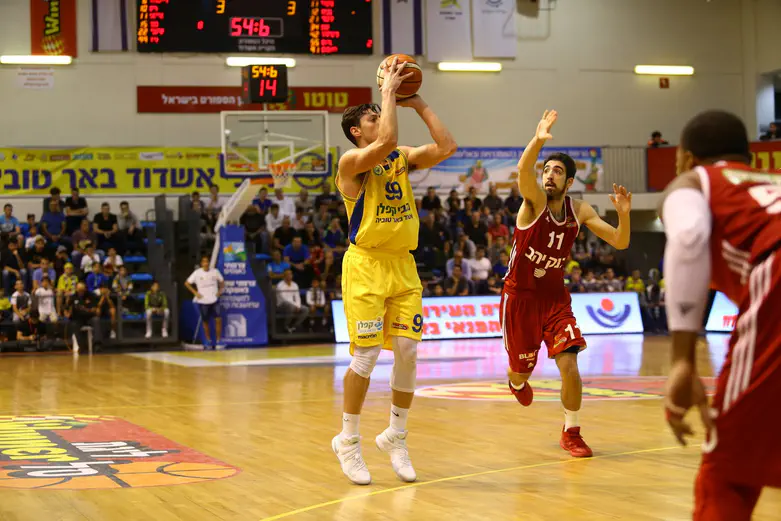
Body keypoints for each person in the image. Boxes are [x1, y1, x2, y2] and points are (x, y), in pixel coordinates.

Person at [332, 56, 457, 486]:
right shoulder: (351, 162)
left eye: (379, 112)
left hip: (402, 264)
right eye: (371, 117)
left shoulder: (400, 157)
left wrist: (417, 103)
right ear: (356, 131)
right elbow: (385, 141)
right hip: (366, 265)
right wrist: (387, 90)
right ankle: (348, 440)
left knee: (407, 351)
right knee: (366, 356)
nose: (379, 117)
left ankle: (395, 436)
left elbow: (446, 147)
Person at [659, 110, 781, 521]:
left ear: (686, 158)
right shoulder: (773, 182)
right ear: (749, 158)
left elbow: (689, 235)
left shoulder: (696, 181)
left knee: (728, 471)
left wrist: (682, 360)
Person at [502, 110, 632, 458]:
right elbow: (523, 170)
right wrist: (538, 139)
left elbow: (620, 242)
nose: (549, 174)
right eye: (546, 169)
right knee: (521, 370)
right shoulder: (534, 203)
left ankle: (571, 432)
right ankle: (516, 382)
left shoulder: (580, 210)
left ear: (569, 181)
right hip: (520, 298)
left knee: (570, 364)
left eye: (557, 171)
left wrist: (623, 214)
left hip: (555, 300)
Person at [185, 255, 224, 350]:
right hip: (203, 301)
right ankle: (208, 341)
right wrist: (195, 293)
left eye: (207, 261)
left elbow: (222, 282)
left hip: (214, 300)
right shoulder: (197, 273)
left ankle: (218, 341)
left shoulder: (215, 272)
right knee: (205, 321)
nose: (206, 263)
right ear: (201, 263)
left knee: (218, 319)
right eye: (204, 262)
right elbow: (187, 283)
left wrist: (220, 291)